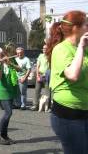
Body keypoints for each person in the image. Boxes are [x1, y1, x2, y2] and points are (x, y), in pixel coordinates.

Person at [46, 10, 88, 154]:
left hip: (84, 111)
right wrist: (81, 48)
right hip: (69, 116)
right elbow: (73, 75)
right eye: (86, 25)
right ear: (76, 28)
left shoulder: (84, 49)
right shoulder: (61, 49)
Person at [0, 44, 21, 145]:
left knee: (9, 114)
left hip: (10, 91)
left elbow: (20, 69)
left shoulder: (10, 60)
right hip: (2, 91)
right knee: (8, 113)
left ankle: (4, 135)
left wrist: (10, 63)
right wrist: (1, 65)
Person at [30, 44, 49, 111]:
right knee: (37, 90)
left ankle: (48, 107)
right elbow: (37, 66)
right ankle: (35, 105)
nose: (44, 50)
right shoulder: (40, 56)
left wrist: (46, 74)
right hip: (40, 75)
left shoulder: (50, 56)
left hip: (47, 75)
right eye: (43, 48)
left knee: (47, 92)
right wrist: (37, 75)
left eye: (46, 48)